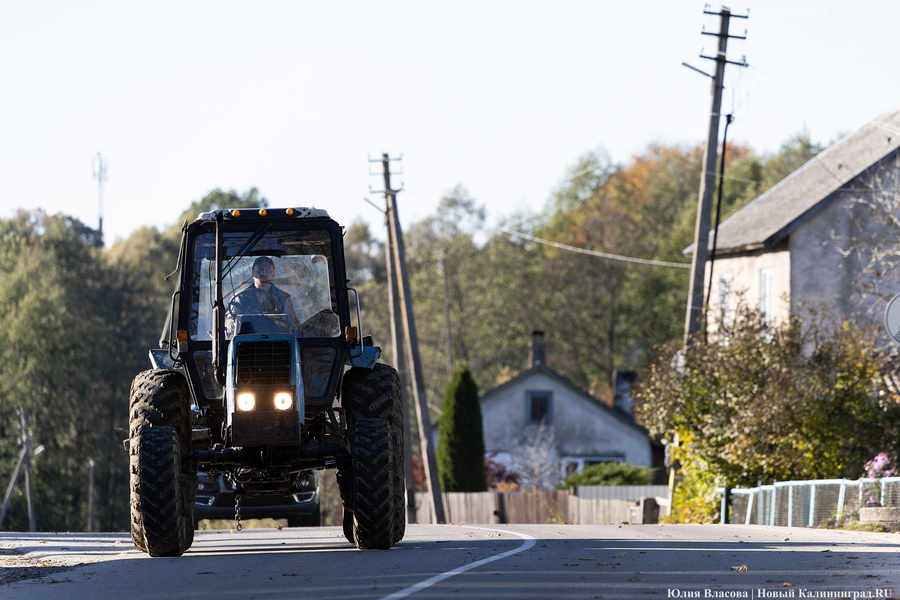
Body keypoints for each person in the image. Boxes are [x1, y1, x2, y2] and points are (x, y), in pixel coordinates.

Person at [225, 256, 301, 336]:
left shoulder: (283, 298)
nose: (263, 274)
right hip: (246, 343)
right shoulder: (240, 298)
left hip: (277, 343)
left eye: (267, 270)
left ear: (273, 274)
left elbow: (294, 325)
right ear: (253, 274)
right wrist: (237, 322)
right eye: (259, 270)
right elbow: (228, 324)